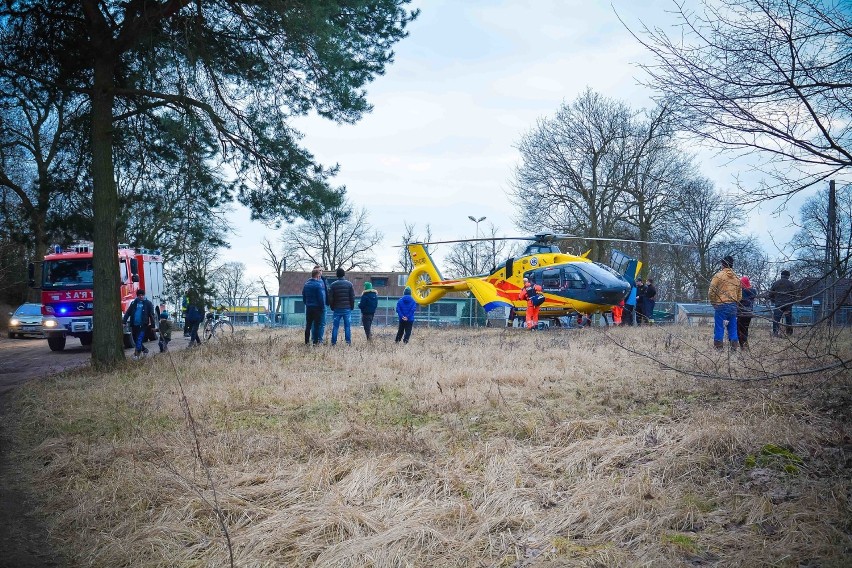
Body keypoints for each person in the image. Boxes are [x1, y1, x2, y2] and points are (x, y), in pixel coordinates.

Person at [708, 255, 741, 350]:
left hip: (721, 305)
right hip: (733, 306)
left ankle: (718, 348)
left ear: (723, 264)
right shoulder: (736, 278)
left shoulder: (718, 276)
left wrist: (713, 302)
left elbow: (711, 291)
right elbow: (739, 294)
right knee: (733, 328)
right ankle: (734, 348)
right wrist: (736, 303)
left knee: (719, 327)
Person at [122, 289, 157, 359]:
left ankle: (137, 354)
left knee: (139, 339)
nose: (141, 297)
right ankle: (145, 350)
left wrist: (153, 326)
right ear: (137, 296)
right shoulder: (134, 303)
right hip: (134, 325)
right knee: (135, 339)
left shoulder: (148, 303)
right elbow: (128, 312)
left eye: (142, 295)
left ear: (144, 295)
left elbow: (151, 315)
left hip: (143, 325)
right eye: (139, 295)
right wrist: (124, 321)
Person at [328, 267, 355, 345]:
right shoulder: (349, 284)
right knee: (347, 326)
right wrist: (351, 306)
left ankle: (333, 342)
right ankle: (348, 342)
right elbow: (352, 297)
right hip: (347, 308)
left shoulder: (333, 285)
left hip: (337, 308)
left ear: (337, 275)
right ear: (344, 274)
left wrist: (332, 306)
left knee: (335, 326)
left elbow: (330, 298)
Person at [767, 269, 796, 337]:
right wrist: (791, 303)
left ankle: (775, 332)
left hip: (778, 304)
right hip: (788, 304)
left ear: (781, 275)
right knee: (788, 320)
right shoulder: (791, 284)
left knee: (776, 319)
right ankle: (789, 333)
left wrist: (774, 301)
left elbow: (770, 294)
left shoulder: (776, 283)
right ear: (788, 276)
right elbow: (795, 295)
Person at [302, 267, 326, 345]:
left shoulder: (306, 284)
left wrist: (307, 303)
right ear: (317, 275)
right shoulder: (318, 285)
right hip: (317, 308)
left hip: (309, 307)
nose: (320, 277)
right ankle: (315, 342)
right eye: (319, 275)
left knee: (308, 325)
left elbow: (304, 295)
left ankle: (306, 341)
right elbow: (321, 298)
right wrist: (322, 307)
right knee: (316, 325)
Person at [737, 276, 756, 349]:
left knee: (739, 330)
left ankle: (742, 346)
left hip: (741, 313)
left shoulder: (742, 291)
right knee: (745, 329)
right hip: (749, 313)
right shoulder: (753, 291)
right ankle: (745, 344)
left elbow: (738, 300)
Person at [313, 265, 328, 342]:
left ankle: (320, 340)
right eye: (318, 271)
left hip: (323, 305)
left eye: (321, 271)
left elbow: (326, 292)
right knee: (314, 323)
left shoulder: (324, 280)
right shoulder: (311, 282)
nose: (320, 272)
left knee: (322, 323)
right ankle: (313, 339)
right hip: (315, 306)